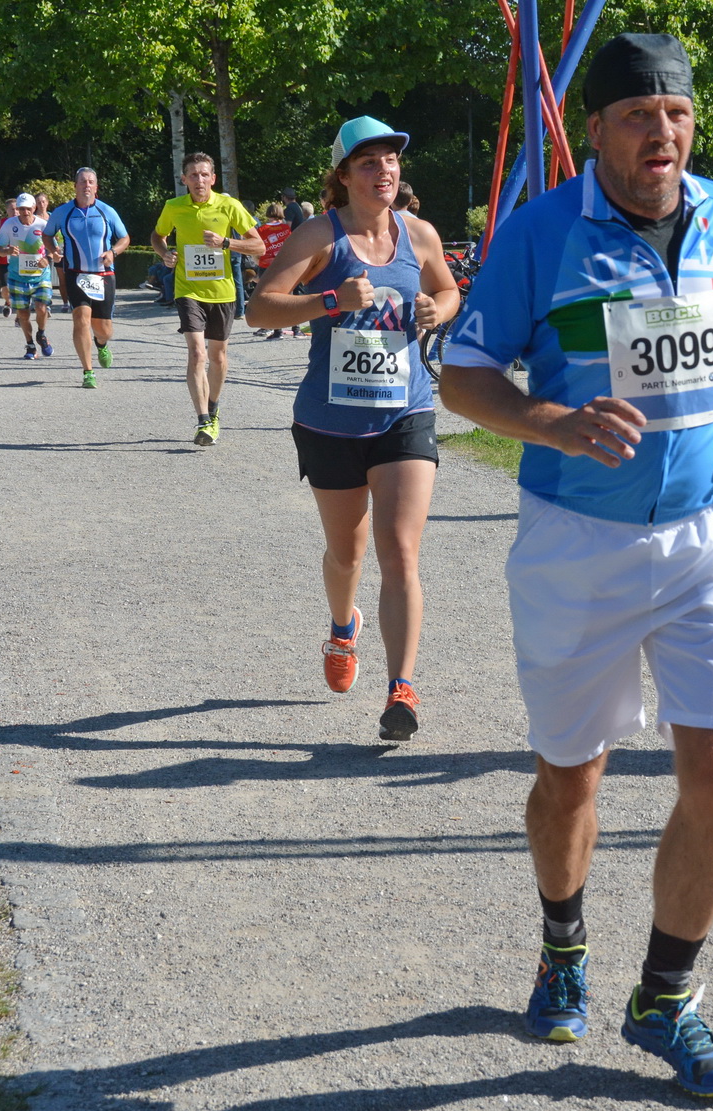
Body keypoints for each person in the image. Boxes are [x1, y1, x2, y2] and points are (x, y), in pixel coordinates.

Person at [440, 34, 713, 1098]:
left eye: (678, 116)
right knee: (570, 778)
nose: (664, 134)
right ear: (595, 129)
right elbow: (463, 375)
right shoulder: (540, 232)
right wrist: (550, 422)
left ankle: (666, 996)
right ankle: (563, 947)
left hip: (709, 535)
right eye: (640, 116)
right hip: (577, 549)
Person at [247, 117, 458, 739]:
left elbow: (448, 293)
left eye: (391, 160)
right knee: (349, 553)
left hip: (405, 412)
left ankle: (402, 690)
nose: (384, 171)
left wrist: (434, 308)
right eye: (369, 163)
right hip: (330, 422)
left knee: (401, 551)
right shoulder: (320, 233)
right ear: (343, 176)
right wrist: (331, 301)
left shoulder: (419, 235)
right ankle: (344, 628)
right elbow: (261, 306)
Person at [152, 152, 264, 444]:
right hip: (188, 289)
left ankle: (213, 408)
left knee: (218, 357)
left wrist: (226, 242)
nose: (199, 180)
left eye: (204, 174)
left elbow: (259, 246)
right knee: (197, 353)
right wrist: (165, 254)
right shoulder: (174, 207)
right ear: (184, 179)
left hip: (223, 292)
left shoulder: (229, 205)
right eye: (193, 175)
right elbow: (157, 235)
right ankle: (203, 420)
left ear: (213, 178)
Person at [44, 167, 130, 389]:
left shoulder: (106, 211)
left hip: (104, 275)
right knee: (81, 318)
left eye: (91, 181)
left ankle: (101, 344)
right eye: (83, 182)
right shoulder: (62, 212)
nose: (87, 186)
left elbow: (125, 238)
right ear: (76, 186)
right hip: (76, 274)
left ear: (96, 186)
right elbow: (47, 234)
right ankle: (88, 371)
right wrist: (53, 251)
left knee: (105, 329)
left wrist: (114, 252)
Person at [0, 194, 55, 362]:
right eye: (21, 209)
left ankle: (41, 334)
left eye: (28, 209)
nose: (25, 212)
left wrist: (47, 259)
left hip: (40, 276)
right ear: (17, 210)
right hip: (17, 276)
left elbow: (53, 248)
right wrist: (6, 252)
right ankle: (30, 345)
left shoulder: (43, 225)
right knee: (23, 314)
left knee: (41, 308)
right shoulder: (9, 225)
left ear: (34, 208)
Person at [251, 203, 293, 339]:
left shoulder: (262, 229)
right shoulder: (286, 229)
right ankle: (294, 327)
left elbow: (257, 249)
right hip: (283, 265)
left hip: (266, 265)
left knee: (267, 297)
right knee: (286, 296)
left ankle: (275, 329)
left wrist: (257, 261)